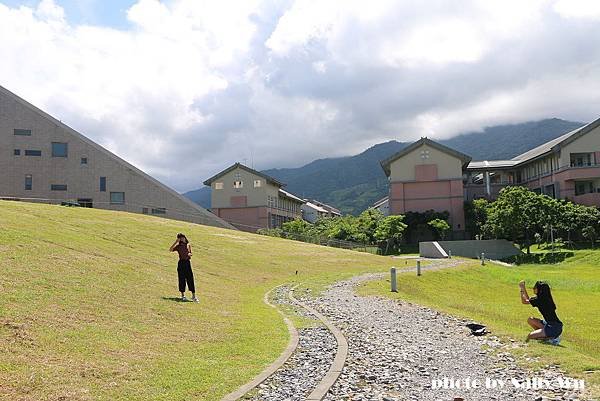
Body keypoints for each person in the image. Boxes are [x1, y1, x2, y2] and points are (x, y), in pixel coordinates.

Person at [519, 280, 562, 345]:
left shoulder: (540, 300)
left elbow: (524, 301)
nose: (533, 289)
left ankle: (551, 338)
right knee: (530, 319)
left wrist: (522, 290)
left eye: (535, 288)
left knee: (530, 336)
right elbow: (528, 299)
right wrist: (524, 288)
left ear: (539, 289)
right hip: (554, 325)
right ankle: (545, 335)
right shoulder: (545, 298)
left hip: (553, 328)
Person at [169, 233, 198, 302]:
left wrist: (190, 254)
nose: (182, 239)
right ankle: (183, 296)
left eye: (183, 237)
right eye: (180, 238)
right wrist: (176, 242)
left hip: (187, 263)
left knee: (190, 278)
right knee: (181, 279)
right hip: (181, 263)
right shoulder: (178, 246)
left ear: (185, 237)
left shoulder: (188, 245)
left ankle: (193, 296)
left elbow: (190, 254)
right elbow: (170, 249)